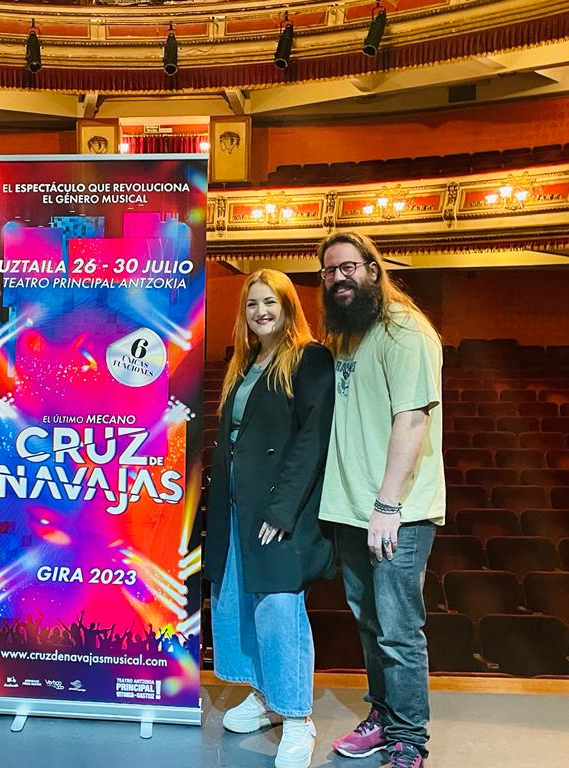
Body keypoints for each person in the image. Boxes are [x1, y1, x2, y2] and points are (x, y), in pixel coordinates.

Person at [316, 232, 444, 768]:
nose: (339, 278)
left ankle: (409, 741)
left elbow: (412, 420)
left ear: (372, 268)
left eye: (349, 267)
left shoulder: (405, 330)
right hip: (352, 511)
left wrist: (388, 505)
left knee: (397, 630)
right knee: (370, 623)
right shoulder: (347, 334)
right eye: (328, 272)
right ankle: (384, 716)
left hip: (397, 513)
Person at [203, 269, 336, 768]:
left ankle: (298, 717)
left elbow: (311, 439)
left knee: (280, 608)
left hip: (281, 508)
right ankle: (264, 697)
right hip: (237, 505)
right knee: (238, 600)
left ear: (287, 308)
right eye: (253, 304)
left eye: (270, 303)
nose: (260, 312)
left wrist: (282, 509)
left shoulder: (309, 358)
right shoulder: (246, 362)